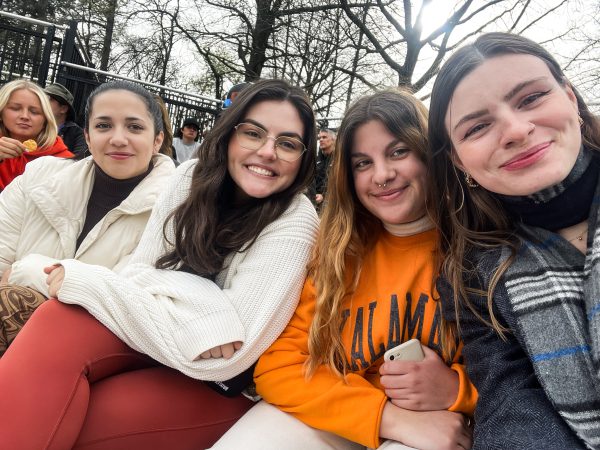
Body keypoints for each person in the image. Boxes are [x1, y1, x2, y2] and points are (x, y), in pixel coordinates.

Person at [0, 78, 319, 450]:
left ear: (304, 156)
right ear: (230, 134)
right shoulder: (189, 179)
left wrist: (87, 280)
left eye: (287, 143)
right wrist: (209, 310)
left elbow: (230, 357)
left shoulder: (295, 219)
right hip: (157, 343)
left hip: (222, 385)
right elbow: (140, 274)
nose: (267, 151)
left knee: (71, 412)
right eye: (253, 133)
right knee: (59, 323)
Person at [212, 90, 476, 450]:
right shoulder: (337, 251)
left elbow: (531, 374)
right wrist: (387, 417)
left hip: (441, 418)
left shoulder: (478, 247)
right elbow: (279, 367)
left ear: (430, 153)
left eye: (398, 152)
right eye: (362, 163)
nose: (382, 175)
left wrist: (456, 390)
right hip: (338, 408)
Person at [427, 32, 599, 449]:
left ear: (571, 98)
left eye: (531, 98)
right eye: (478, 126)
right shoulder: (470, 273)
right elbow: (513, 403)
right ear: (457, 159)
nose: (517, 130)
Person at [0, 80, 176, 355]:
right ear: (88, 136)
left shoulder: (177, 210)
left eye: (135, 127)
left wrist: (26, 269)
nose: (118, 138)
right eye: (104, 126)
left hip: (96, 352)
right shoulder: (40, 177)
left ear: (157, 140)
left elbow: (131, 306)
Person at [0, 79, 74, 190]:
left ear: (45, 119)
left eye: (34, 112)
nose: (25, 116)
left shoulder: (65, 162)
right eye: (15, 108)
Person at [44, 82, 89, 158]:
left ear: (63, 109)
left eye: (50, 99)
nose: (43, 102)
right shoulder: (36, 125)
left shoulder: (78, 134)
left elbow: (77, 162)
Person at [313, 127, 336, 209]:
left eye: (324, 137)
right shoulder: (316, 160)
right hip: (314, 202)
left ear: (333, 140)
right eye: (320, 138)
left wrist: (324, 196)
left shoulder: (340, 159)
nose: (321, 140)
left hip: (332, 204)